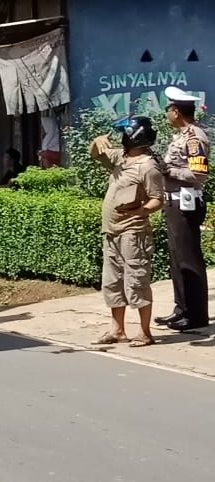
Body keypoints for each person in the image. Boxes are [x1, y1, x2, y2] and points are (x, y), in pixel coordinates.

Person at [89, 117, 164, 347]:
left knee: (137, 282)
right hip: (111, 232)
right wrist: (97, 141)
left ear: (136, 136)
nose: (122, 136)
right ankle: (118, 330)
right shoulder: (120, 158)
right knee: (112, 282)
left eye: (126, 133)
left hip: (133, 234)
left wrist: (140, 211)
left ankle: (145, 332)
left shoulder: (148, 167)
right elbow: (95, 154)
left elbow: (157, 199)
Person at [155, 86, 210, 330]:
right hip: (174, 201)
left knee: (189, 260)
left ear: (176, 111)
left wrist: (168, 171)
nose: (167, 113)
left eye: (169, 109)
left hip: (185, 203)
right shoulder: (181, 135)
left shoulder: (194, 137)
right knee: (177, 259)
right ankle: (182, 309)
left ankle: (196, 314)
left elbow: (199, 174)